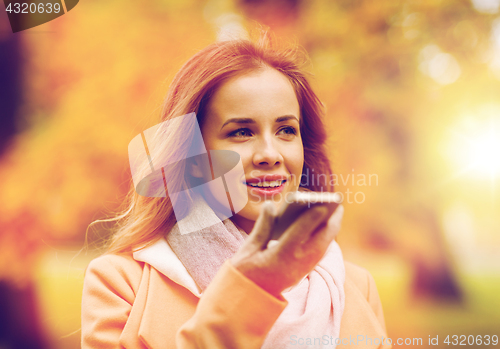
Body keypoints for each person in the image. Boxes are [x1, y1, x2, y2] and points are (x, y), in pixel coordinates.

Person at [81, 32, 391, 349]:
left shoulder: (354, 285)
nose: (270, 154)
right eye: (242, 132)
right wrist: (251, 287)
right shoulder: (120, 285)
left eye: (286, 130)